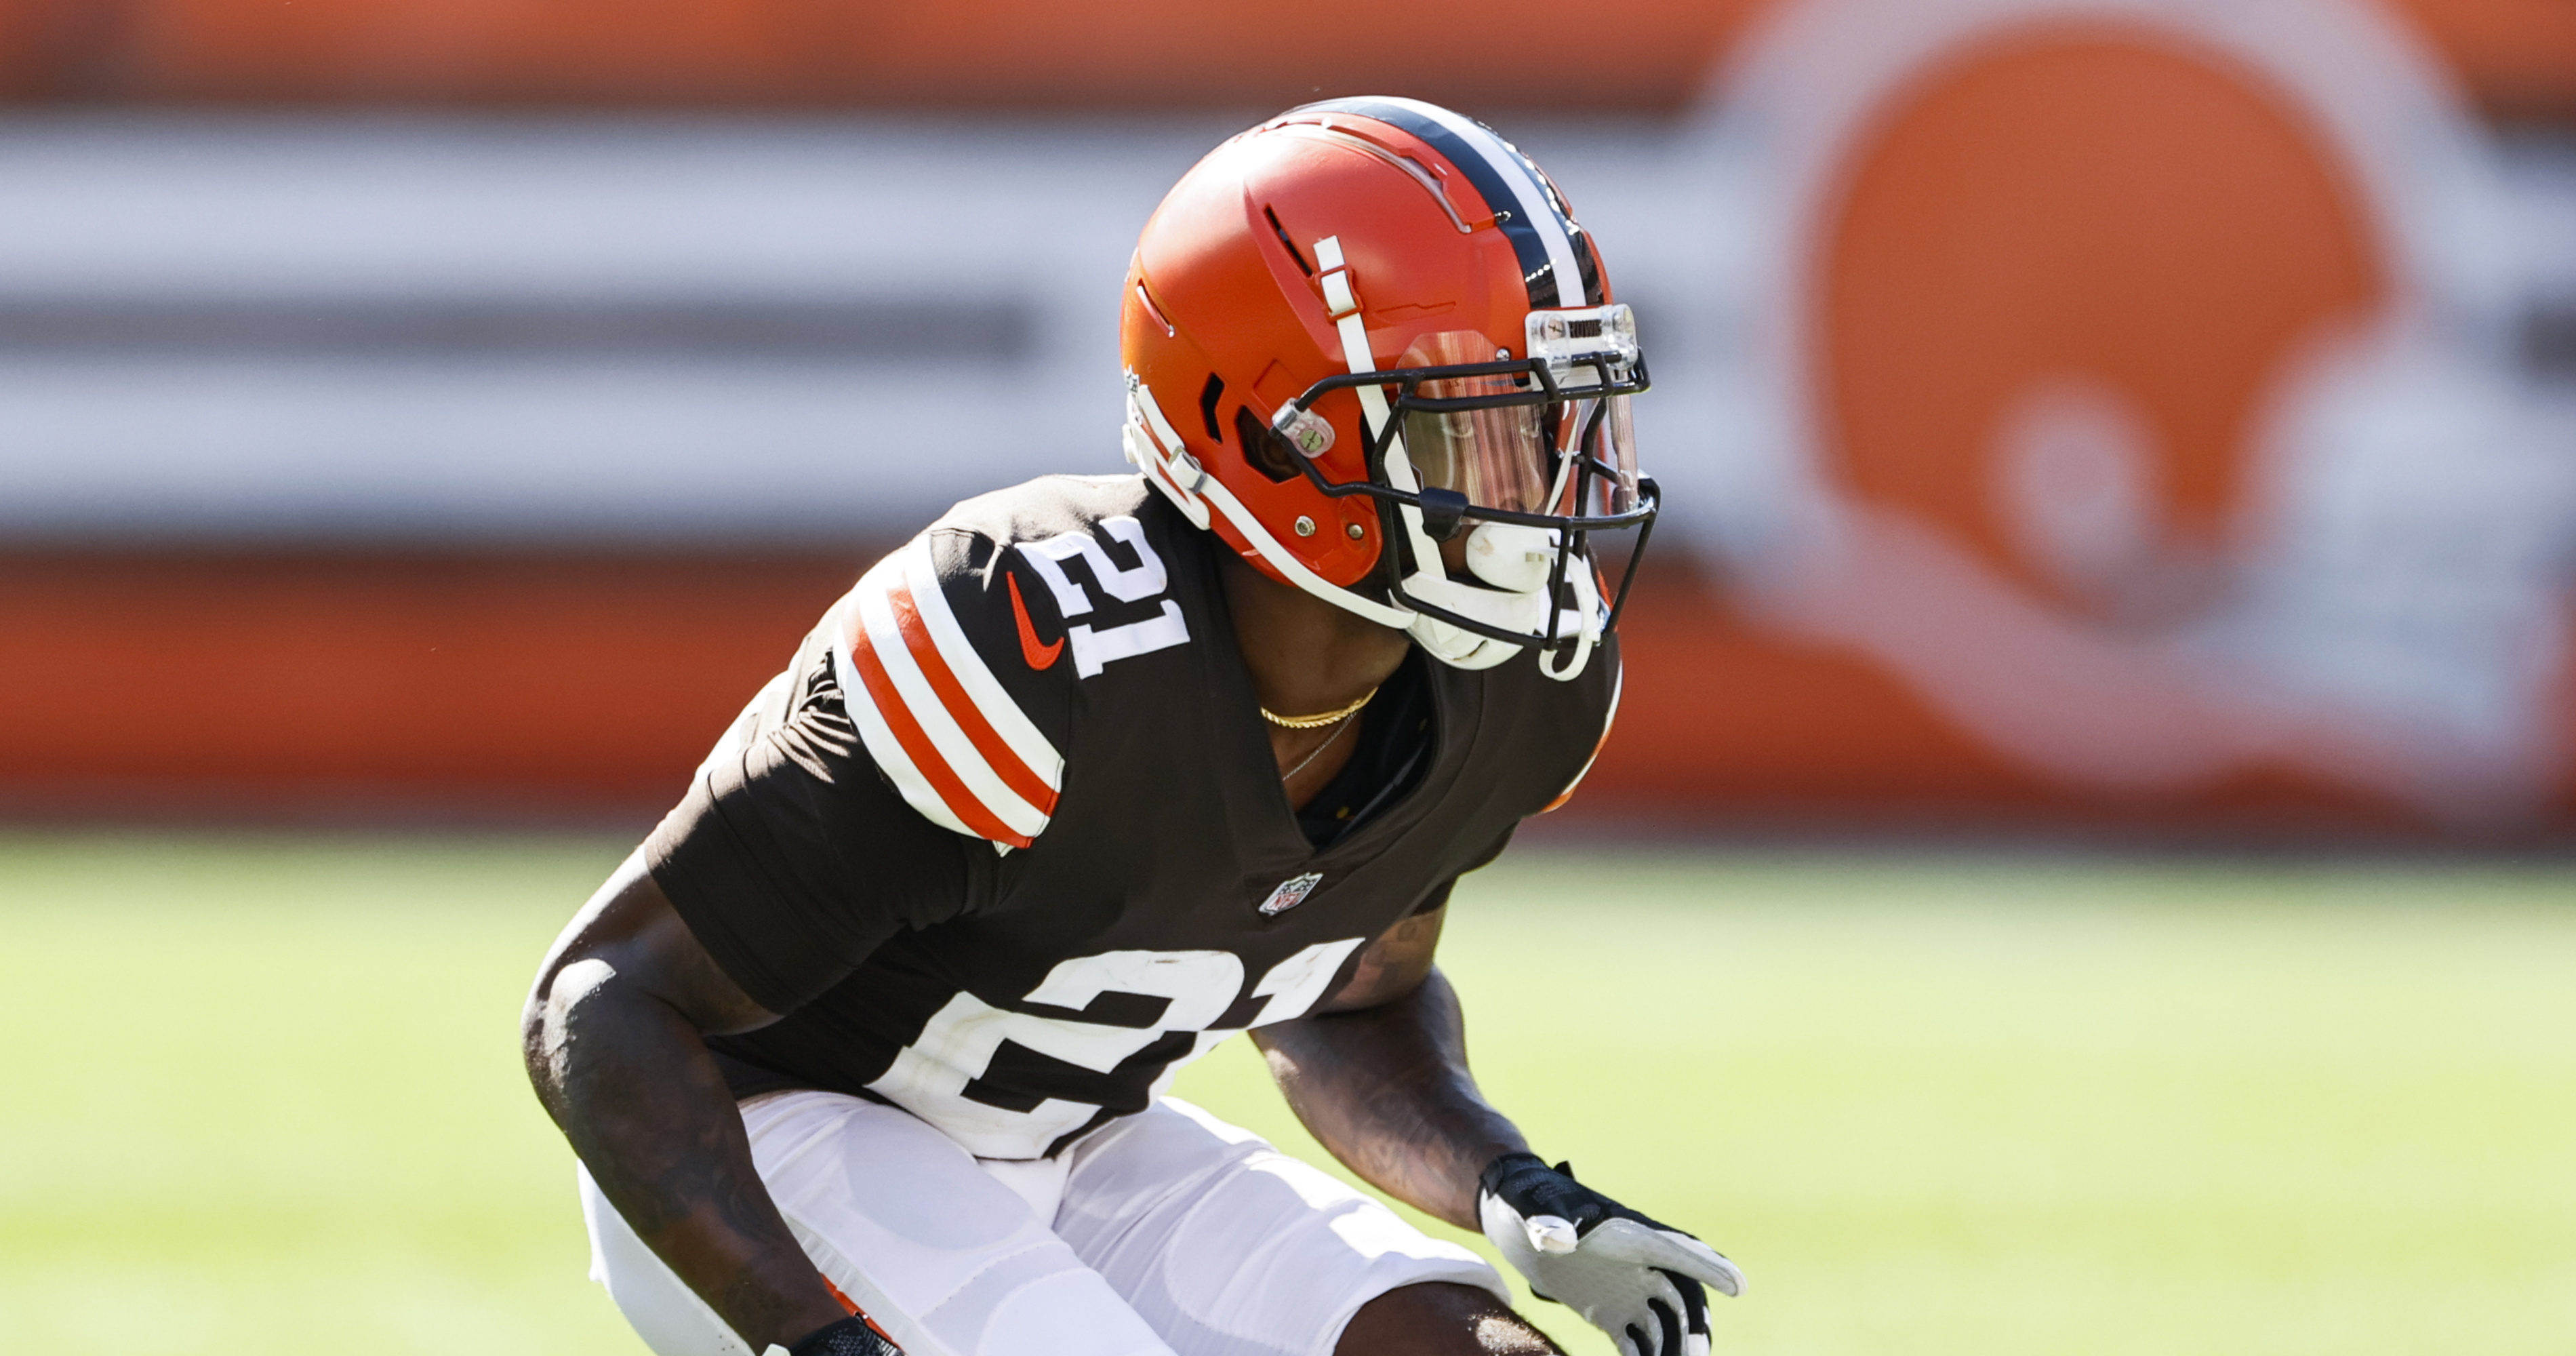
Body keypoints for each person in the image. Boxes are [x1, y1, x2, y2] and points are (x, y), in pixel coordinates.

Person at [521, 96, 1742, 1356]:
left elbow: (1344, 996)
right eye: (1475, 430)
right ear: (1273, 433)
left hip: (1081, 1142)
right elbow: (604, 1004)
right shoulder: (1024, 642)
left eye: (1549, 422)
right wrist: (809, 1334)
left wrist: (1509, 1185)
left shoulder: (1517, 690)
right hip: (777, 1137)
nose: (1539, 487)